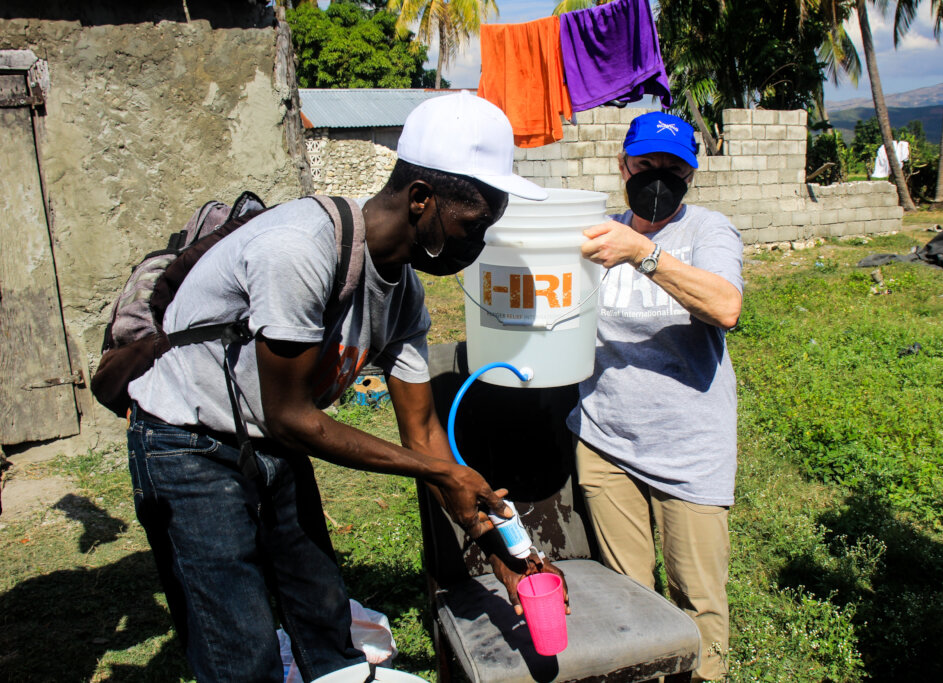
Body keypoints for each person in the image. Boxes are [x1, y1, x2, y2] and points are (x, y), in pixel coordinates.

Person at [126, 92, 562, 683]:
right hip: (187, 444)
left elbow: (424, 432)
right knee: (241, 650)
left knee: (323, 620)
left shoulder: (403, 293)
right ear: (421, 199)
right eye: (474, 223)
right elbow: (290, 415)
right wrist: (438, 474)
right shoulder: (300, 249)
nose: (479, 243)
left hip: (268, 441)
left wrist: (497, 550)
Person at [567, 111, 743, 682]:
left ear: (691, 174)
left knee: (698, 600)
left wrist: (642, 251)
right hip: (605, 442)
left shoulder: (707, 232)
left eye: (674, 168)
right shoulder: (597, 234)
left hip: (690, 448)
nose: (659, 177)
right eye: (647, 165)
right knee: (629, 597)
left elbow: (726, 308)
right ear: (624, 166)